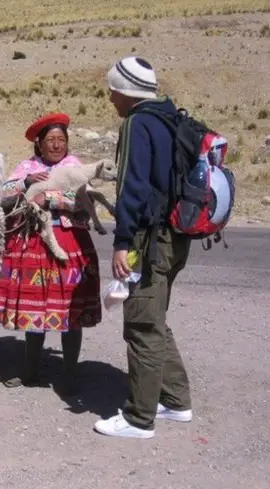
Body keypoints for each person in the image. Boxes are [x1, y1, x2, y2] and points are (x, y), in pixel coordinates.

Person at [93, 56, 193, 439]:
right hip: (177, 237)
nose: (110, 97)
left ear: (126, 91)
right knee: (155, 320)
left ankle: (138, 418)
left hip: (149, 241)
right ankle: (176, 401)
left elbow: (132, 188)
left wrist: (122, 244)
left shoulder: (138, 123)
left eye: (113, 90)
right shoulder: (172, 118)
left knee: (140, 324)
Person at [0, 112, 102, 396]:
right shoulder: (27, 167)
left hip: (69, 243)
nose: (56, 145)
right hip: (32, 245)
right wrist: (27, 184)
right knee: (34, 309)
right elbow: (2, 195)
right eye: (50, 140)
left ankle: (69, 373)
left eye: (61, 140)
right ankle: (30, 371)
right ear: (39, 144)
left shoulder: (74, 166)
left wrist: (49, 197)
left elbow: (85, 200)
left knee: (70, 310)